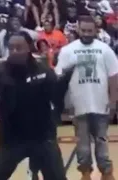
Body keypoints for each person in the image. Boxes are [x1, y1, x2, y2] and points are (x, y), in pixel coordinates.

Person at [0, 31, 67, 180]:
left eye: (19, 47)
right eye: (11, 47)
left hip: (42, 136)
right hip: (10, 138)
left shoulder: (44, 71)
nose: (14, 51)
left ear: (29, 48)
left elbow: (56, 98)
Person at [55, 15, 118, 180]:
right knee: (82, 144)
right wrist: (66, 103)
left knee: (102, 142)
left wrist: (113, 102)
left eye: (90, 31)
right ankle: (85, 173)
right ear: (78, 29)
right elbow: (60, 79)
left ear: (96, 30)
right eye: (84, 30)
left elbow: (113, 77)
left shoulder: (105, 49)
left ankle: (106, 172)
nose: (87, 34)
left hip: (101, 104)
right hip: (78, 105)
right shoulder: (67, 51)